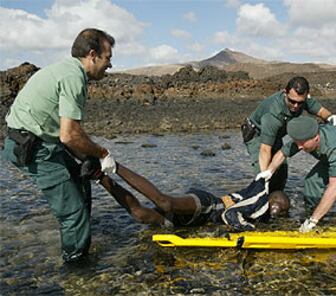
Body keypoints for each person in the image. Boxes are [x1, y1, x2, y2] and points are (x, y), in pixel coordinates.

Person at [2, 28, 119, 262]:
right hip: (32, 148)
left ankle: (78, 237)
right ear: (93, 54)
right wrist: (103, 153)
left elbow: (65, 135)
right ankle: (76, 268)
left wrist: (88, 158)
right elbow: (69, 135)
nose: (110, 65)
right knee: (73, 213)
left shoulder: (66, 69)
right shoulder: (73, 77)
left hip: (38, 141)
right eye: (108, 58)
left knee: (80, 184)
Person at [82, 159, 290, 231]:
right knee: (165, 203)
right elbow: (231, 215)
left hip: (195, 222)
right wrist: (249, 230)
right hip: (208, 204)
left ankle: (100, 176)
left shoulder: (264, 212)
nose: (277, 212)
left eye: (282, 212)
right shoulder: (259, 199)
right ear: (272, 199)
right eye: (279, 207)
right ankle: (114, 165)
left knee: (140, 215)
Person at [242, 76, 336, 195]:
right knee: (262, 174)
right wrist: (264, 178)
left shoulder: (302, 99)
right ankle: (260, 197)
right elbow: (265, 149)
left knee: (280, 170)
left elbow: (320, 111)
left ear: (306, 96)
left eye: (300, 103)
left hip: (276, 135)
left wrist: (331, 117)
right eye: (292, 101)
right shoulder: (273, 115)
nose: (296, 106)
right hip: (257, 134)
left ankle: (277, 199)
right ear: (285, 93)